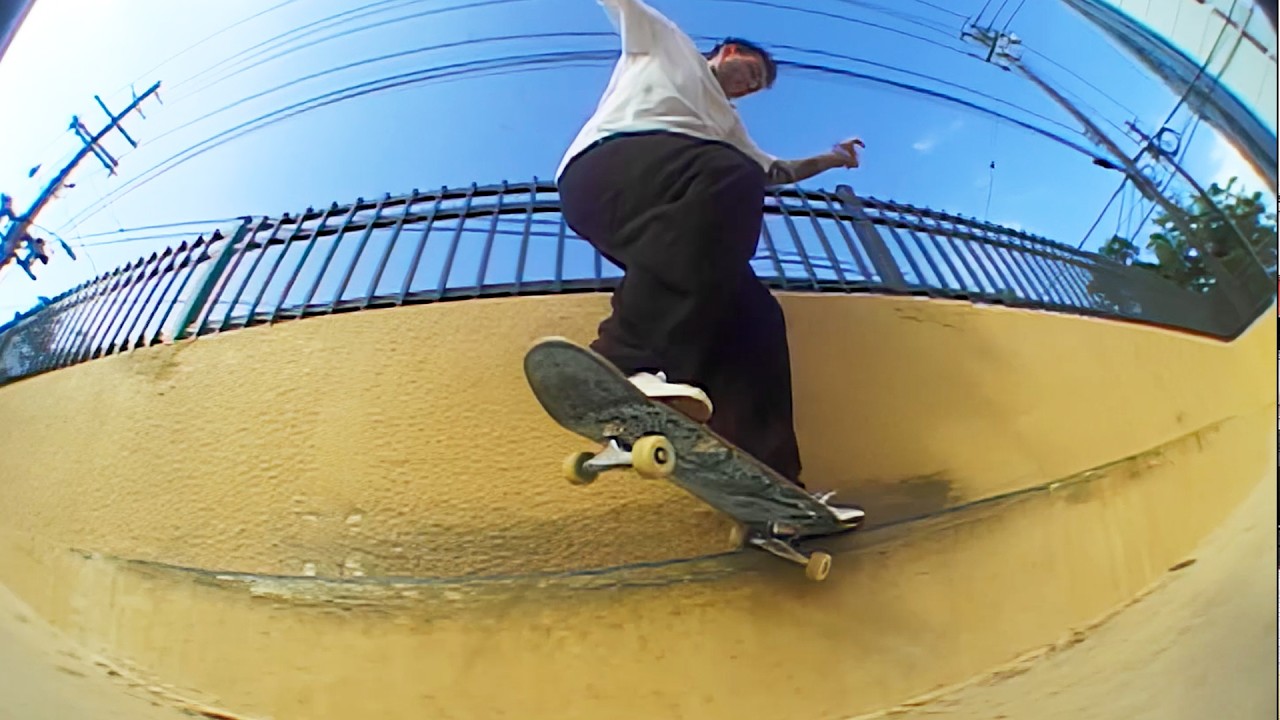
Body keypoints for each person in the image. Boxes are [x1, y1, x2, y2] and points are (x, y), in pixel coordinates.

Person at [555, 0, 864, 523]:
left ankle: (775, 485)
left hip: (675, 212)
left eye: (755, 87)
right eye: (750, 73)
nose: (747, 87)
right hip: (608, 169)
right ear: (728, 52)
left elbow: (776, 171)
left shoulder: (729, 125)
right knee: (730, 174)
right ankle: (627, 364)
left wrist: (833, 158)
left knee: (755, 315)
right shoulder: (666, 43)